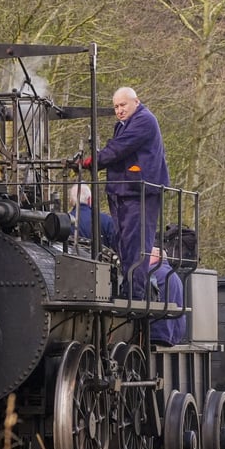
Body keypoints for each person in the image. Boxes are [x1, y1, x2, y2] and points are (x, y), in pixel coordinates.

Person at [83, 86, 169, 299]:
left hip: (138, 192)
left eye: (123, 105)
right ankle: (129, 288)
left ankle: (135, 293)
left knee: (136, 243)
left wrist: (93, 161)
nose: (119, 110)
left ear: (136, 102)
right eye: (116, 107)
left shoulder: (144, 121)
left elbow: (119, 148)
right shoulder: (123, 125)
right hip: (124, 191)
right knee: (124, 242)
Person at [149, 246, 186, 345]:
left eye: (148, 255)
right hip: (175, 333)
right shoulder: (174, 275)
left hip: (156, 332)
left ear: (156, 256)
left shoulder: (152, 272)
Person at [68, 183, 117, 250]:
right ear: (89, 200)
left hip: (70, 260)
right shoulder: (106, 220)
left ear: (71, 201)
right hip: (100, 259)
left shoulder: (65, 221)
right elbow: (117, 247)